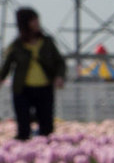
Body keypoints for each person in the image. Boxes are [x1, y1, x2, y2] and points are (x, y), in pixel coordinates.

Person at [0, 7, 66, 140]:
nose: (36, 23)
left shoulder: (47, 42)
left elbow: (60, 62)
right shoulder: (16, 46)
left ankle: (45, 155)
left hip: (44, 88)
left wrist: (59, 76)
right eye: (33, 20)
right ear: (24, 24)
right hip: (22, 89)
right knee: (23, 128)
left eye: (36, 20)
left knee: (46, 127)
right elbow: (6, 67)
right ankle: (22, 154)